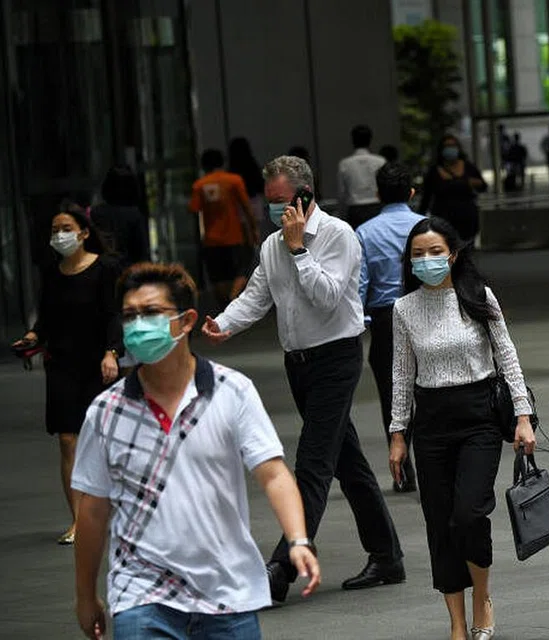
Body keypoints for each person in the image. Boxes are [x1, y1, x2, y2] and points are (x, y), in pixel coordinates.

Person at [71, 263, 320, 640]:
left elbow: (273, 473)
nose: (139, 325)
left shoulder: (231, 391)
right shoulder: (106, 412)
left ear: (186, 321)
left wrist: (297, 540)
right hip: (141, 594)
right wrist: (85, 596)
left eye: (152, 313)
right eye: (130, 316)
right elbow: (92, 509)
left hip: (226, 592)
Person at [201, 155, 404, 602]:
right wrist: (224, 323)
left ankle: (280, 568)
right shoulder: (272, 245)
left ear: (305, 194)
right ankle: (387, 556)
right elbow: (257, 294)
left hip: (337, 358)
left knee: (312, 465)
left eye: (281, 200)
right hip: (299, 364)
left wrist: (299, 249)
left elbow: (329, 297)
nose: (274, 210)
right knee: (347, 463)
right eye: (269, 202)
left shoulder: (337, 236)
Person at [388, 216, 536, 640]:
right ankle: (456, 623)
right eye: (418, 254)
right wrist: (399, 435)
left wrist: (522, 418)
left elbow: (507, 357)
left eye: (436, 252)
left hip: (479, 417)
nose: (428, 260)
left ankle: (482, 598)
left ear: (453, 253)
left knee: (469, 513)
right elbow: (401, 374)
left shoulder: (478, 296)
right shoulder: (404, 309)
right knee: (440, 523)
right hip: (432, 421)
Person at [12, 201, 122, 545]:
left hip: (98, 362)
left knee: (104, 439)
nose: (59, 236)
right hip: (61, 362)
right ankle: (80, 520)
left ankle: (114, 510)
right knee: (67, 439)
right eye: (55, 230)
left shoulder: (104, 269)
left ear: (84, 233)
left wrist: (112, 352)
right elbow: (46, 317)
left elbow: (113, 315)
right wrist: (32, 337)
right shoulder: (52, 272)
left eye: (66, 229)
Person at [356, 163, 425, 493]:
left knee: (391, 396)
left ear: (378, 194)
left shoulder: (365, 233)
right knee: (429, 390)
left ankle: (403, 468)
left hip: (386, 319)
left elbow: (361, 285)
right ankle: (433, 463)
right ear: (411, 193)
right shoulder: (426, 227)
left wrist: (366, 321)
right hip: (425, 312)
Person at [188, 149, 259, 308]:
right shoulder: (234, 180)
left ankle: (225, 304)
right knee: (242, 269)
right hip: (234, 236)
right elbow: (246, 207)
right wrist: (253, 228)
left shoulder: (199, 185)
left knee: (218, 276)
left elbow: (193, 209)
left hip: (211, 239)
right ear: (222, 162)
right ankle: (234, 297)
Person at [418, 134, 488, 243]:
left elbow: (483, 186)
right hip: (443, 220)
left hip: (467, 219)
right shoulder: (434, 172)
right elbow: (426, 197)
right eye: (447, 146)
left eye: (453, 146)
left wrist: (474, 183)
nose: (450, 149)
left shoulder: (468, 167)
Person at [90, 164, 149, 269]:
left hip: (101, 269)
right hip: (127, 271)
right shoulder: (134, 215)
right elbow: (141, 252)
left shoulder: (96, 213)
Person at [338, 124, 387, 229]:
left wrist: (342, 215)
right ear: (370, 140)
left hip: (355, 211)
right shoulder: (380, 162)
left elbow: (342, 193)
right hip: (376, 208)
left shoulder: (345, 164)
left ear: (353, 140)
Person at [228, 137, 269, 237]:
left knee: (243, 234)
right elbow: (260, 185)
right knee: (256, 231)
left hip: (238, 204)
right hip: (254, 200)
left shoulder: (232, 169)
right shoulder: (253, 165)